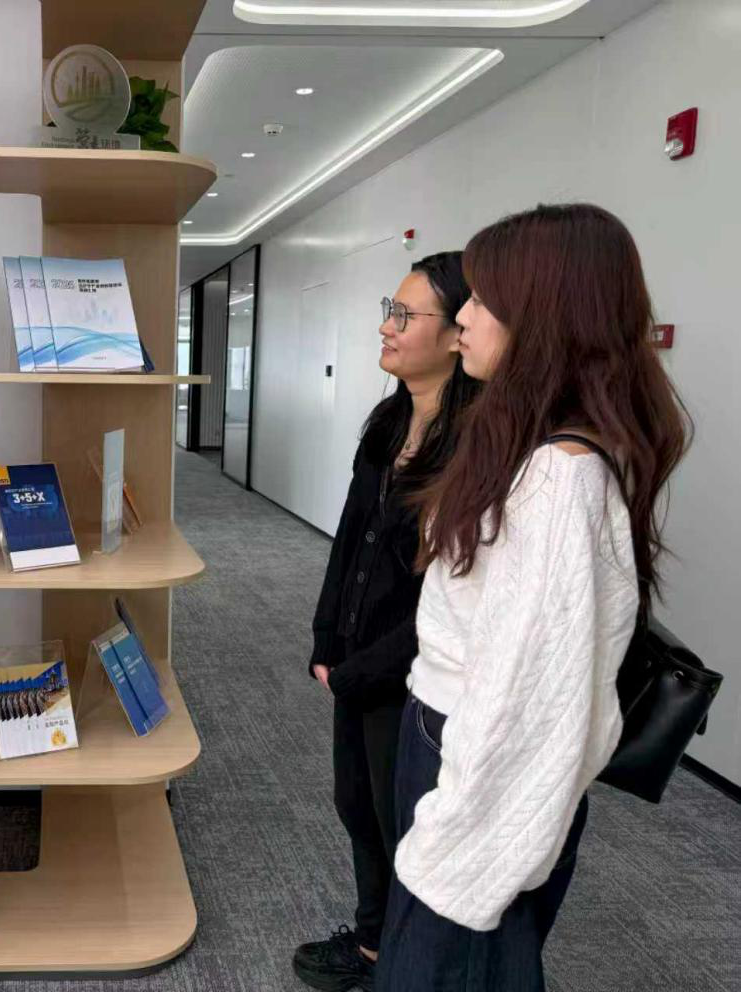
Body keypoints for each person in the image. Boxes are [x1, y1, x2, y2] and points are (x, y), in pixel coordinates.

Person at [375, 204, 689, 991]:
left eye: (483, 300)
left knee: (450, 967)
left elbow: (532, 703)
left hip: (477, 771)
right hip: (454, 743)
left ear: (545, 318)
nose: (463, 319)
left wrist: (456, 839)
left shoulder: (557, 479)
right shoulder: (534, 446)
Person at [295, 253, 481, 992]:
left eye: (405, 315)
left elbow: (452, 595)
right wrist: (327, 637)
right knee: (357, 805)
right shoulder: (389, 419)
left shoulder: (476, 444)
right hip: (356, 659)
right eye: (389, 310)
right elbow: (351, 538)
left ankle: (405, 963)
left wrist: (366, 667)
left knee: (406, 821)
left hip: (415, 675)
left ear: (458, 333)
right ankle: (375, 944)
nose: (387, 327)